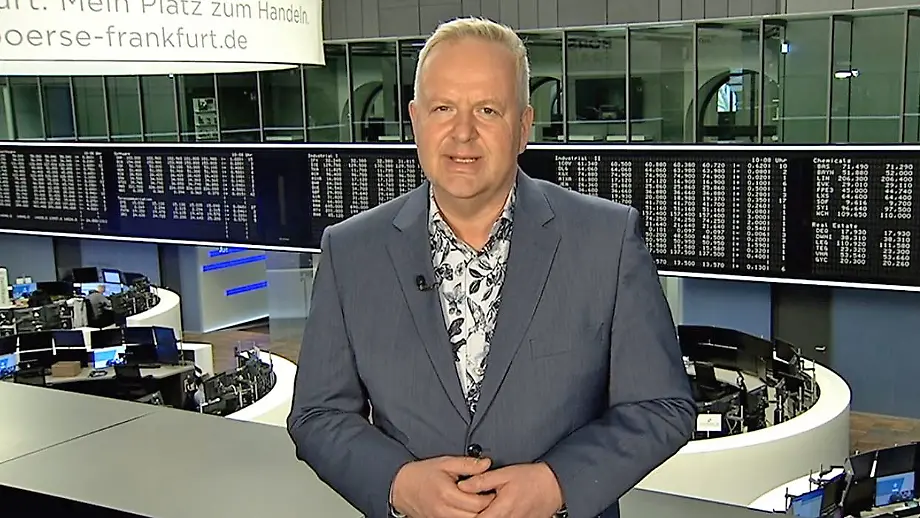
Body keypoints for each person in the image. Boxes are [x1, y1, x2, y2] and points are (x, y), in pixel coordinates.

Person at [287, 16, 696, 518]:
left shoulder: (607, 241)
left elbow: (662, 407)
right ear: (415, 120)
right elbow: (317, 414)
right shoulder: (351, 251)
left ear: (523, 127)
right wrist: (397, 483)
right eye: (443, 108)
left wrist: (558, 484)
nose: (462, 133)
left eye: (487, 110)